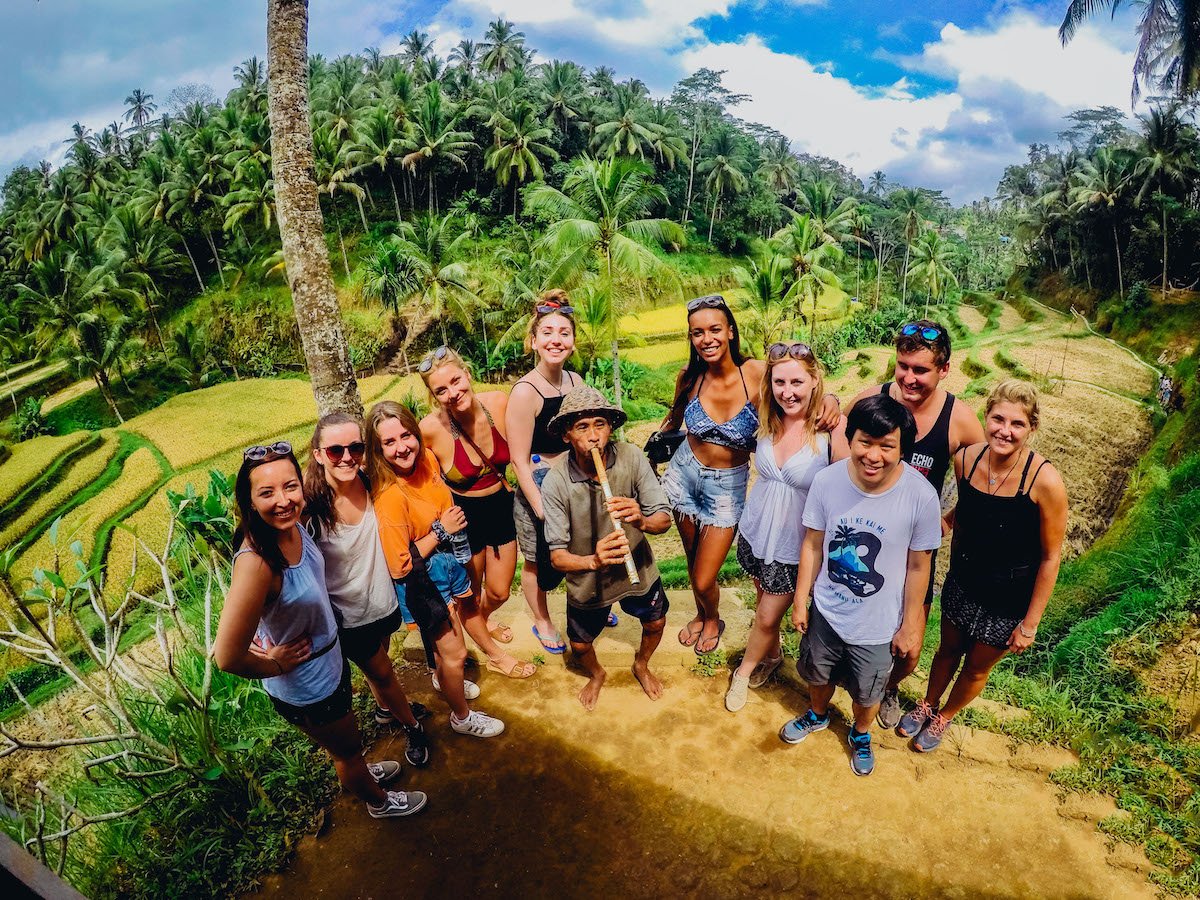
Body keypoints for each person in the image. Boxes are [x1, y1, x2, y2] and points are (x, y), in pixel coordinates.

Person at [214, 441, 427, 818]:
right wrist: (275, 665)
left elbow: (341, 482)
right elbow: (227, 655)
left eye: (290, 486)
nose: (282, 500)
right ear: (247, 502)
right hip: (306, 686)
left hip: (329, 664)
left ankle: (359, 770)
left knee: (346, 743)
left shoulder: (293, 525)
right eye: (266, 493)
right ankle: (378, 800)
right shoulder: (258, 563)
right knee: (345, 750)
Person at [896, 380, 1068, 752]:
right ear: (986, 418)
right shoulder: (967, 459)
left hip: (1008, 599)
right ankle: (928, 703)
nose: (1005, 431)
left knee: (976, 667)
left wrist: (1030, 624)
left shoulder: (1045, 482)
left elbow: (1051, 556)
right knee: (946, 651)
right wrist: (942, 523)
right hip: (963, 580)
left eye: (1017, 424)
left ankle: (945, 716)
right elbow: (971, 509)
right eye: (998, 419)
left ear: (1031, 428)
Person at [779, 395, 942, 777]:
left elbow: (920, 566)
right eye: (865, 442)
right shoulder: (827, 481)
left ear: (903, 450)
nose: (873, 455)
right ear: (849, 439)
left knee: (868, 692)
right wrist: (801, 600)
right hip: (826, 611)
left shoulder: (920, 496)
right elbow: (813, 543)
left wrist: (910, 624)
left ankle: (861, 732)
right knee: (816, 673)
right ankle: (818, 714)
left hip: (878, 624)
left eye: (887, 446)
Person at [844, 320, 984, 729]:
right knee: (851, 619)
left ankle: (886, 687)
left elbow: (981, 481)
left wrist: (949, 520)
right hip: (863, 540)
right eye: (902, 365)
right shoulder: (871, 399)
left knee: (909, 647)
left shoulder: (958, 420)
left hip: (913, 554)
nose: (908, 377)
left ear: (944, 370)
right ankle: (853, 685)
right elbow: (836, 429)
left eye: (920, 370)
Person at [365, 400, 506, 738]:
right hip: (423, 581)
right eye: (389, 442)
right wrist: (441, 530)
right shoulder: (390, 498)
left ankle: (444, 680)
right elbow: (399, 566)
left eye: (406, 436)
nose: (402, 448)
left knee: (446, 650)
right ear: (378, 450)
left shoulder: (426, 460)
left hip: (445, 565)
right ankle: (461, 716)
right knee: (455, 653)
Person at [303, 412, 431, 764]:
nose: (346, 457)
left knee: (381, 663)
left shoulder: (371, 481)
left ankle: (383, 708)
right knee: (384, 672)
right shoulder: (310, 505)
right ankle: (412, 728)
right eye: (335, 451)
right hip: (347, 616)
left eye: (355, 447)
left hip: (382, 603)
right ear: (317, 454)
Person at [725, 342, 848, 712]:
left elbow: (850, 484)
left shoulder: (830, 428)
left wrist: (836, 401)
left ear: (814, 381)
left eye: (797, 381)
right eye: (780, 382)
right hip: (758, 530)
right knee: (764, 602)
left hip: (796, 544)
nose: (788, 392)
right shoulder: (766, 417)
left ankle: (743, 673)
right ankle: (773, 652)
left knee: (765, 615)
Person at [541, 385, 673, 710]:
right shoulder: (556, 481)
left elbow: (664, 519)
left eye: (599, 424)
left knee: (655, 622)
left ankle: (641, 665)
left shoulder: (631, 456)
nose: (593, 436)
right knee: (580, 643)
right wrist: (593, 561)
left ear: (610, 427)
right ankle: (596, 675)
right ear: (566, 435)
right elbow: (557, 557)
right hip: (588, 580)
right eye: (582, 427)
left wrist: (641, 520)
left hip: (637, 570)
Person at [417, 346, 535, 679]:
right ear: (434, 396)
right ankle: (495, 654)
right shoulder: (430, 429)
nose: (453, 393)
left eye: (456, 381)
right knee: (470, 594)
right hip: (463, 516)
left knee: (498, 591)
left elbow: (532, 440)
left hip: (500, 507)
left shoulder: (499, 402)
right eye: (441, 390)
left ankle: (479, 623)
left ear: (467, 374)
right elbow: (409, 471)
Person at [506, 292, 586, 655]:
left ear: (573, 340)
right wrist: (540, 505)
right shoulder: (525, 391)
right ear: (534, 341)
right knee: (538, 559)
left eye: (564, 333)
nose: (557, 340)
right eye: (548, 332)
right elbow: (519, 459)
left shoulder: (575, 382)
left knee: (577, 547)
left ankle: (585, 605)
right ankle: (542, 619)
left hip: (572, 481)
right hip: (539, 486)